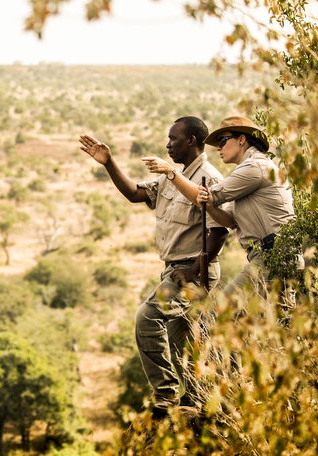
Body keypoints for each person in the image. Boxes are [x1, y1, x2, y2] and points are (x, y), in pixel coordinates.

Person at [78, 116, 229, 417]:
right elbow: (136, 193)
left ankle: (165, 395)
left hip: (193, 270)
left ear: (192, 141)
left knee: (147, 318)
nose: (167, 144)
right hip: (174, 269)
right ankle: (195, 399)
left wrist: (196, 271)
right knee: (181, 339)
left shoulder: (207, 179)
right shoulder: (172, 176)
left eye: (173, 138)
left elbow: (219, 231)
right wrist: (109, 163)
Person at [144, 115, 298, 296]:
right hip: (268, 255)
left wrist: (171, 173)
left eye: (223, 140)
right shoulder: (247, 172)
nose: (219, 147)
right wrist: (208, 206)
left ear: (241, 140)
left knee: (227, 313)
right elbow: (228, 219)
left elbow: (207, 196)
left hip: (273, 254)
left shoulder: (254, 167)